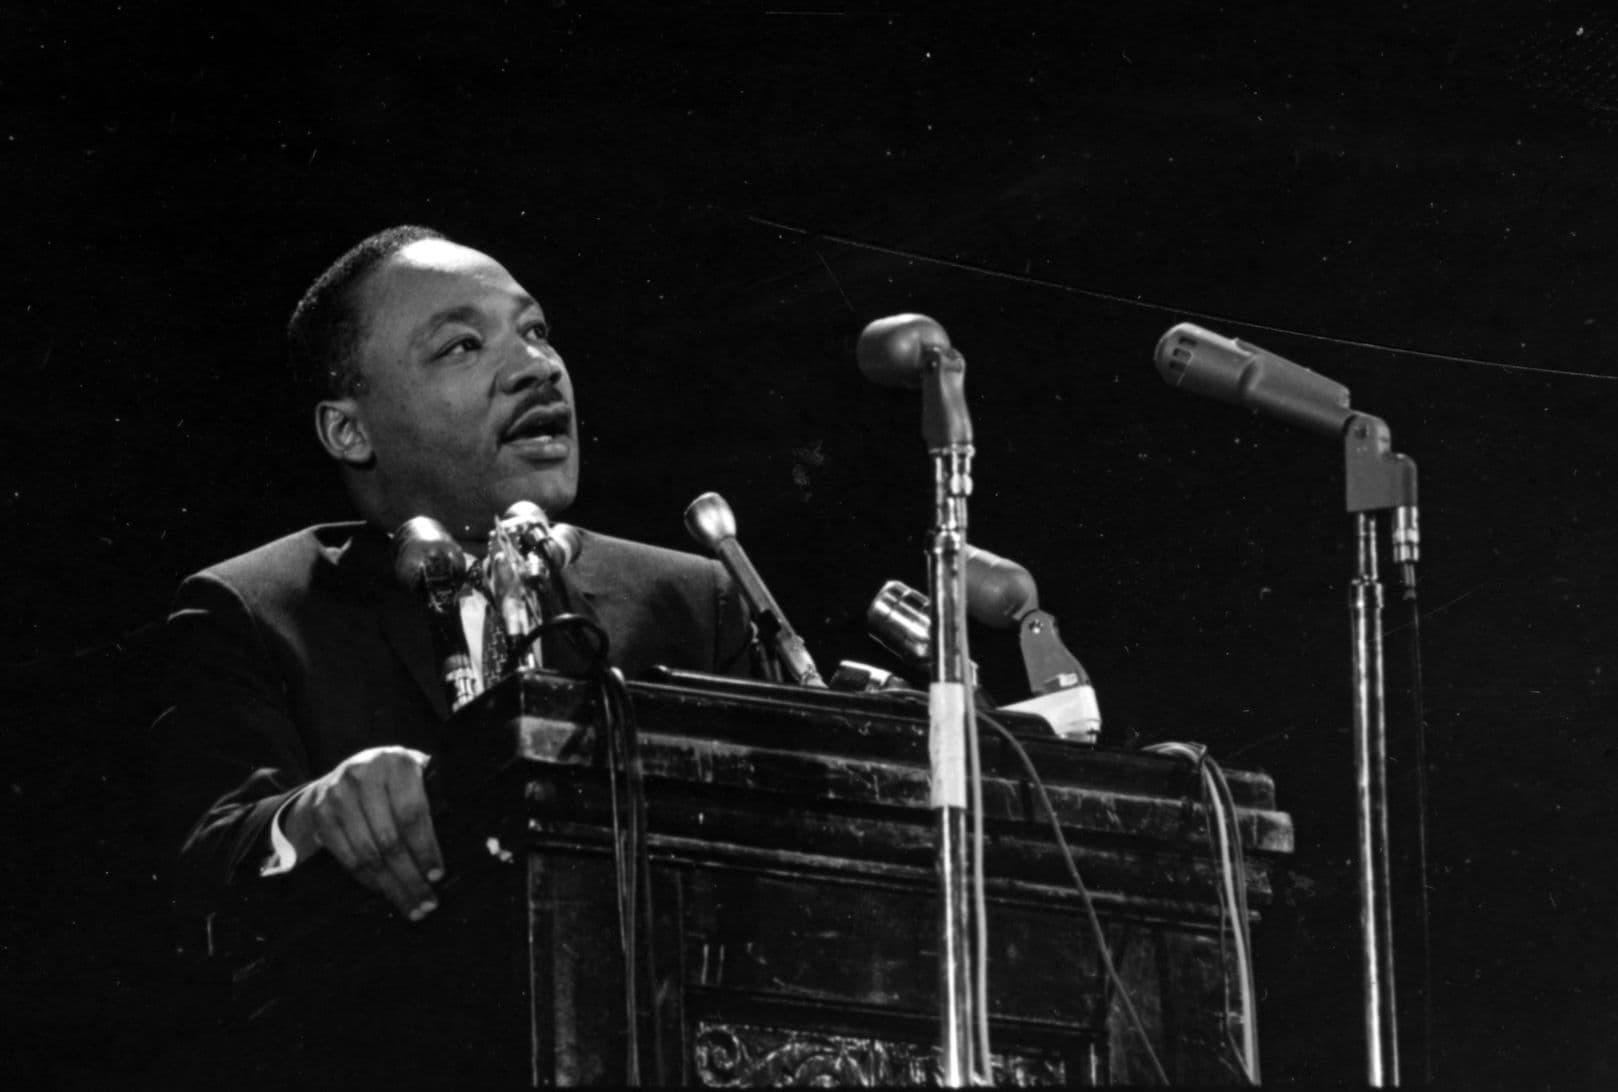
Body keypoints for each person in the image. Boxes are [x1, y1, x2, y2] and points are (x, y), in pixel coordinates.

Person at [157, 227, 754, 1073]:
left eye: (536, 330)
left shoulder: (691, 599)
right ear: (348, 431)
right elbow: (206, 862)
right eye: (463, 346)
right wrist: (316, 811)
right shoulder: (256, 607)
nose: (535, 367)